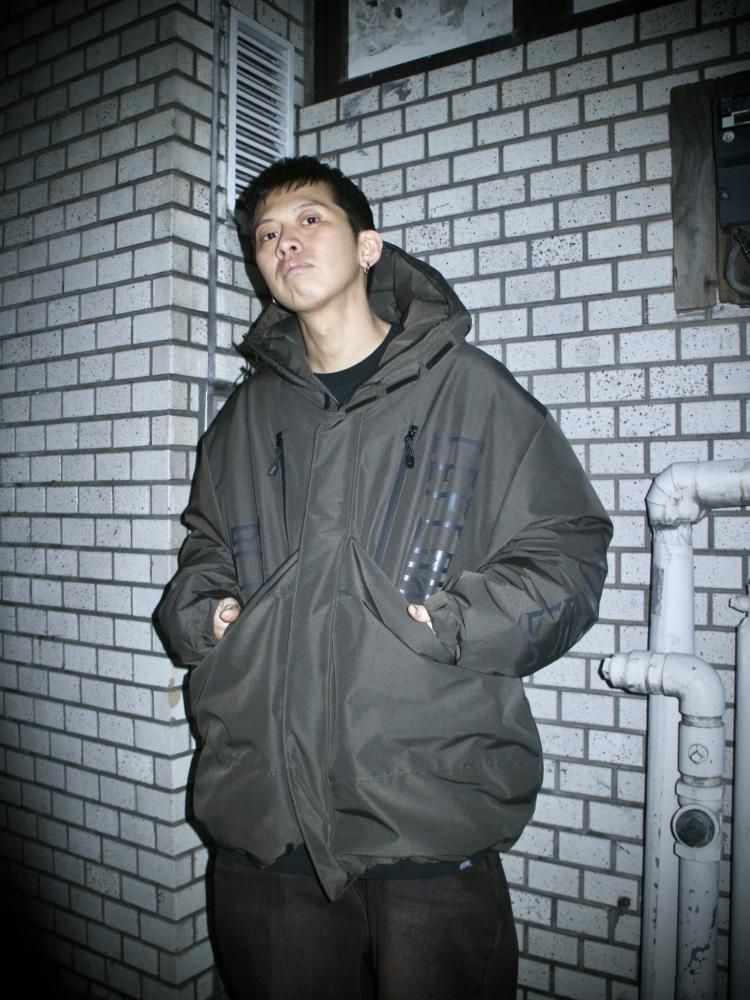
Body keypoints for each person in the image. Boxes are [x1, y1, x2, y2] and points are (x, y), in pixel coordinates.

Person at [156, 156, 612, 999]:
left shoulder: (470, 393)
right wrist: (210, 616)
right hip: (265, 826)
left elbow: (566, 550)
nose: (284, 242)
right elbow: (203, 550)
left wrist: (450, 622)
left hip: (425, 826)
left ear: (368, 246)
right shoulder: (244, 419)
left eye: (309, 220)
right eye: (266, 234)